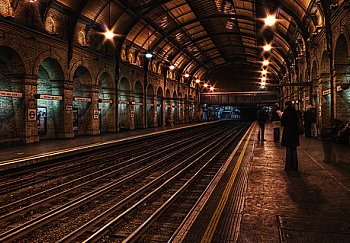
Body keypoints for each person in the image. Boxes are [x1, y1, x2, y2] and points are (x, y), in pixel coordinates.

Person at [281, 101, 300, 171]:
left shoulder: (286, 112)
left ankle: (288, 167)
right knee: (294, 149)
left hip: (288, 132)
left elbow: (282, 123)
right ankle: (295, 167)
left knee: (288, 149)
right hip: (294, 132)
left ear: (286, 105)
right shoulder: (295, 112)